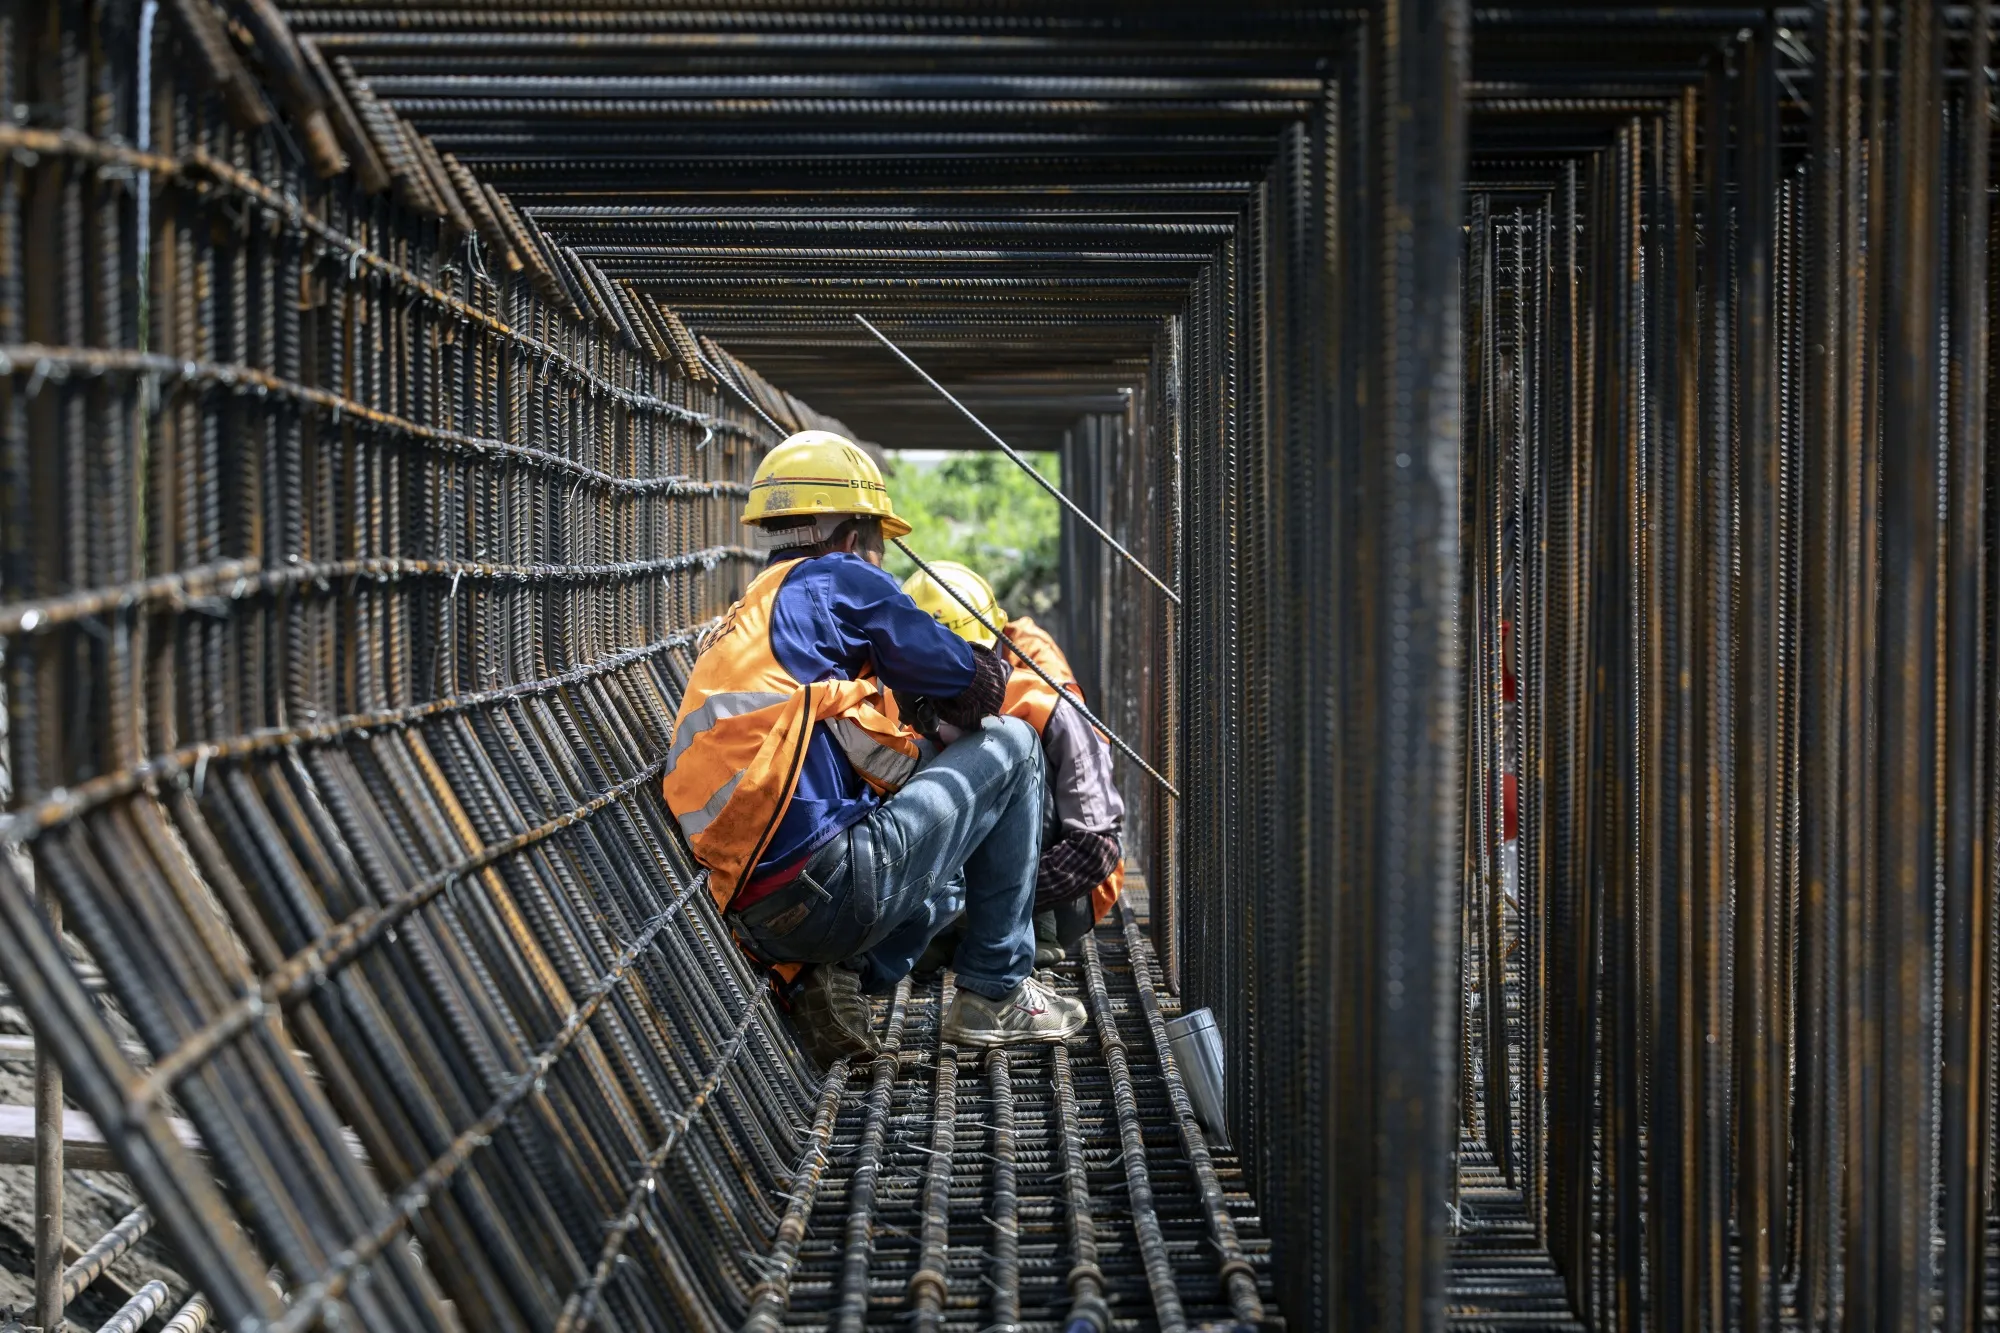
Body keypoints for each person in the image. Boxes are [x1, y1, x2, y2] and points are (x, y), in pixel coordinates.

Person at [663, 431, 1087, 1064]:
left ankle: (833, 976)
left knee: (936, 838)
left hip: (755, 919)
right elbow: (971, 684)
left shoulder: (753, 612)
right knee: (1016, 743)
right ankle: (995, 989)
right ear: (854, 535)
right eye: (880, 545)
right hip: (831, 888)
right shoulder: (838, 580)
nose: (881, 562)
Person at [902, 560, 1126, 967]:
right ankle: (941, 933)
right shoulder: (899, 699)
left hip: (1056, 900)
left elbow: (1097, 847)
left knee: (1018, 755)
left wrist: (990, 901)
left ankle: (1020, 932)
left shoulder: (1045, 704)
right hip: (948, 894)